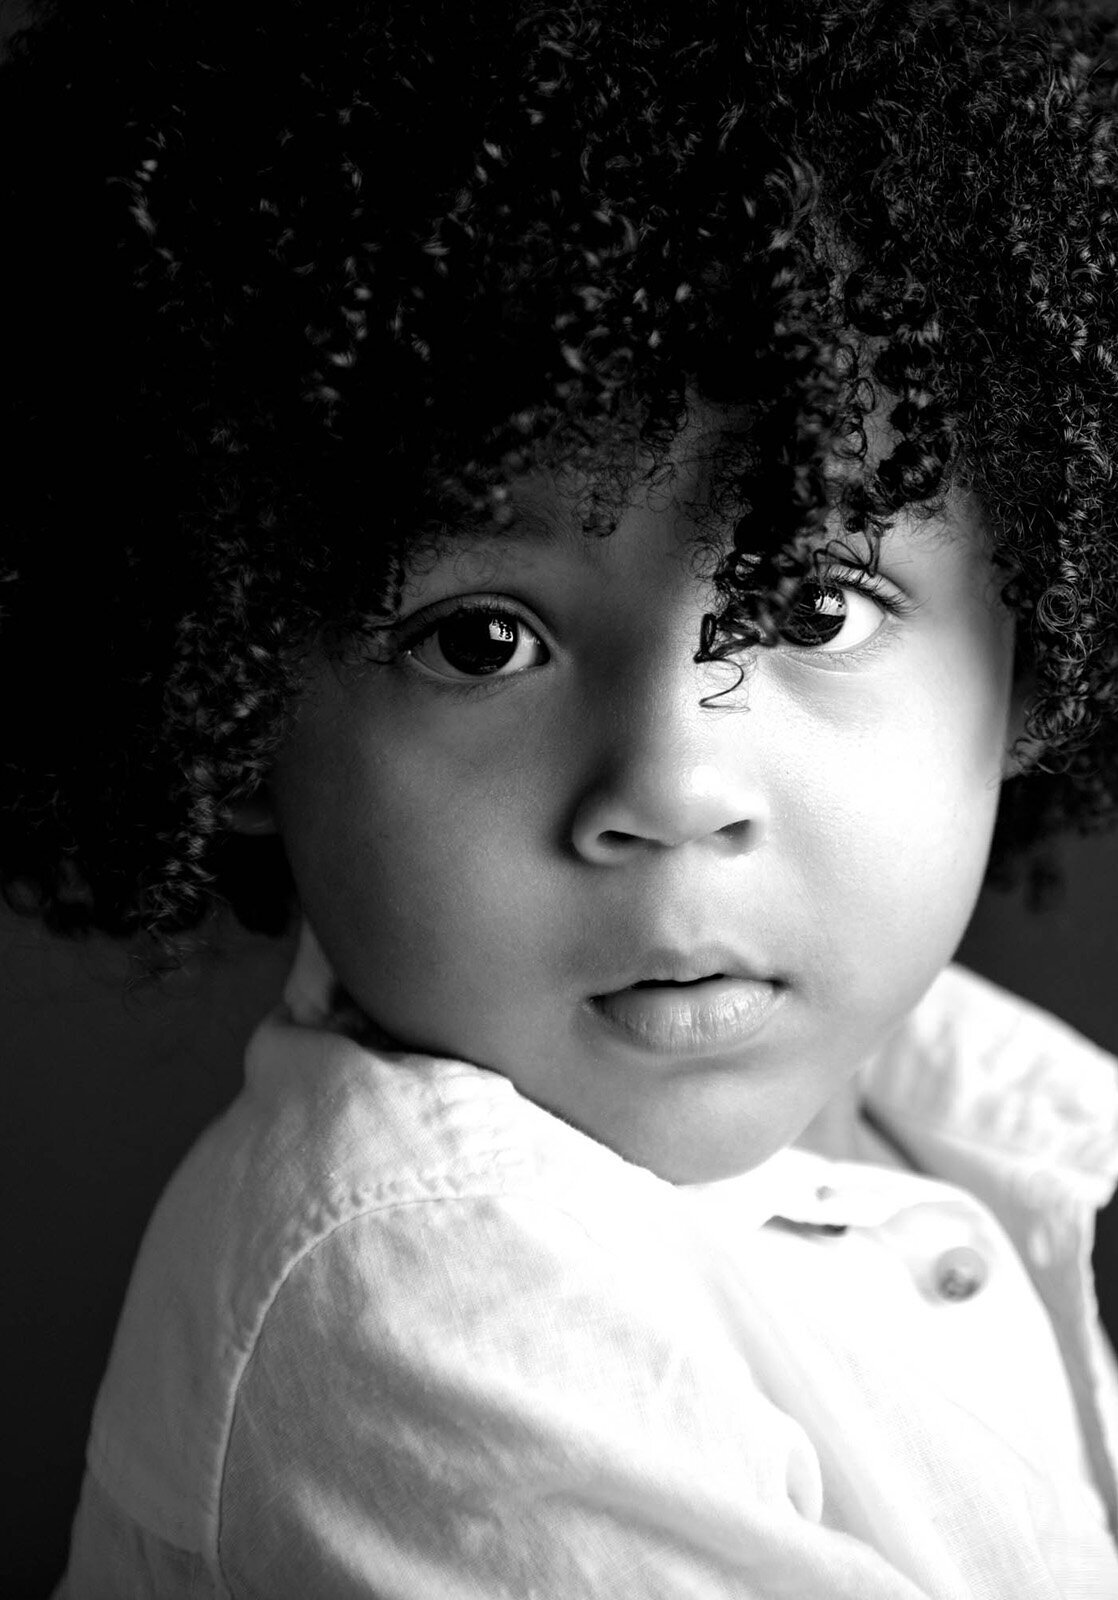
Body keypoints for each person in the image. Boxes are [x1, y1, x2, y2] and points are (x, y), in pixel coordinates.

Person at [5, 0, 1118, 1593]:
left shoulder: (947, 1107)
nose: (668, 787)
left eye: (808, 608)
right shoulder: (429, 1295)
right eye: (481, 638)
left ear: (1039, 641)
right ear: (232, 700)